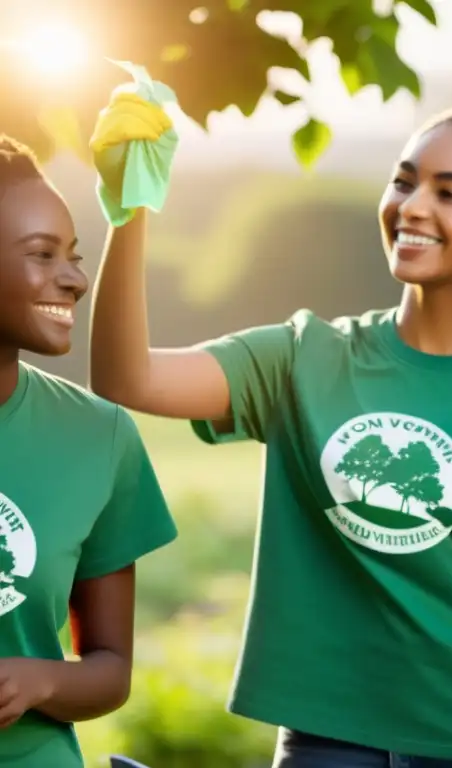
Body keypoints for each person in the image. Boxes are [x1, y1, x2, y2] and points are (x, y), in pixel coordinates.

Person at [88, 103, 452, 767]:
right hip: (325, 739)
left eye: (450, 193)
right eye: (403, 181)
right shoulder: (302, 356)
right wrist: (129, 208)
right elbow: (126, 377)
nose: (413, 206)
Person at [0, 136, 178, 767]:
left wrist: (39, 680)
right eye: (42, 255)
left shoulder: (98, 436)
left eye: (72, 256)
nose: (74, 278)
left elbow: (110, 668)